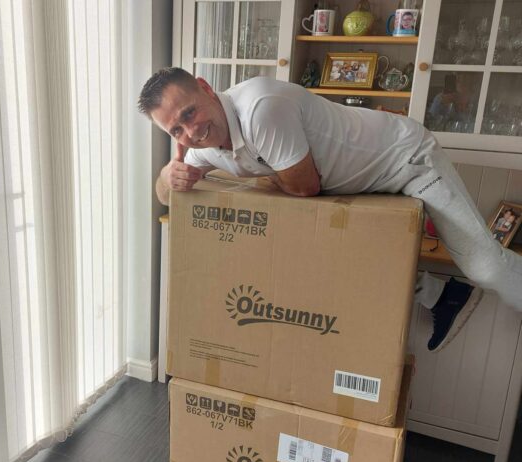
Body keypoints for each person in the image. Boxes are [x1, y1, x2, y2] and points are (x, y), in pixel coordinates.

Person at [138, 68, 522, 352]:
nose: (190, 133)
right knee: (333, 254)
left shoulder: (260, 109)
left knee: (484, 266)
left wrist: (271, 182)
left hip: (406, 160)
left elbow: (304, 187)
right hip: (359, 183)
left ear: (206, 88)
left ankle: (459, 290)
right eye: (176, 131)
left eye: (189, 113)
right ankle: (443, 295)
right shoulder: (204, 145)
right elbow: (165, 196)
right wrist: (168, 175)